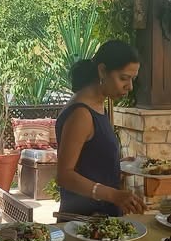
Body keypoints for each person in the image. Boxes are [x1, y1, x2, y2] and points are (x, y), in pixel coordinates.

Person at [55, 40, 146, 217]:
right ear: (102, 71)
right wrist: (114, 195)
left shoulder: (98, 106)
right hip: (84, 222)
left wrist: (116, 164)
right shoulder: (81, 113)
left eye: (132, 79)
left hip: (103, 219)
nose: (129, 87)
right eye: (123, 78)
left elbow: (87, 162)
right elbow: (64, 176)